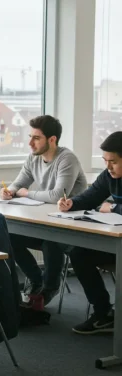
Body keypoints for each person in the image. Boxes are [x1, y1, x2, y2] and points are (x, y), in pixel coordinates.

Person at [0, 115, 87, 304]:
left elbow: (57, 196)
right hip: (48, 218)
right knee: (9, 235)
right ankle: (35, 279)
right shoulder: (34, 158)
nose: (30, 143)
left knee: (51, 239)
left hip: (72, 225)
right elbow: (17, 185)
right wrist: (8, 192)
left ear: (52, 139)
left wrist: (26, 194)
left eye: (36, 138)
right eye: (30, 137)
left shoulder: (67, 159)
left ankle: (49, 288)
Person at [58, 131, 122, 334]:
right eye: (105, 161)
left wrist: (112, 208)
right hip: (117, 242)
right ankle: (103, 314)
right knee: (79, 254)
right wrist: (71, 203)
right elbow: (91, 196)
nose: (108, 166)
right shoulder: (109, 175)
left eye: (113, 161)